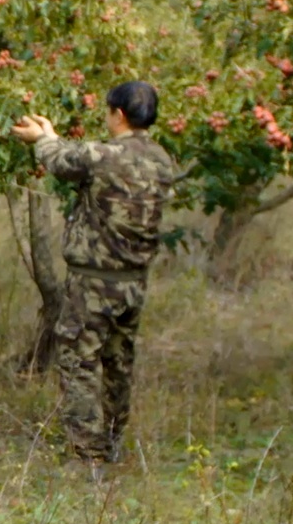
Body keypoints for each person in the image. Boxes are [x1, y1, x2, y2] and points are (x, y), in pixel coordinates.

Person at [12, 80, 176, 481]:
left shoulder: (103, 155)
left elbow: (63, 160)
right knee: (119, 361)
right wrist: (53, 139)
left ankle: (88, 453)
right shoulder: (161, 159)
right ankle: (115, 437)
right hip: (134, 282)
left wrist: (42, 137)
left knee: (79, 360)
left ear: (118, 114)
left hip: (93, 283)